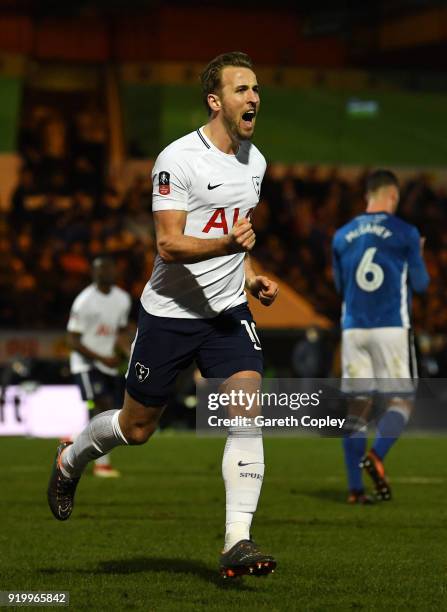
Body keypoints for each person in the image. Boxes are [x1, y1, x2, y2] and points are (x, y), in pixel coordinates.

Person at [47, 51, 279, 578]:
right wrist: (227, 245)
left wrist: (249, 274)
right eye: (243, 89)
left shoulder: (256, 163)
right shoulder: (178, 159)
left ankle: (237, 542)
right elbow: (170, 244)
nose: (254, 98)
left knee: (247, 415)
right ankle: (71, 459)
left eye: (257, 88)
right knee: (137, 428)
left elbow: (236, 240)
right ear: (215, 100)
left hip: (226, 315)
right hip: (169, 315)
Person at [332, 169, 429, 504]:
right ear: (393, 197)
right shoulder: (404, 233)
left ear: (367, 196)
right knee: (402, 400)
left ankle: (355, 490)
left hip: (354, 328)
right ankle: (377, 455)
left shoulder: (342, 235)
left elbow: (338, 287)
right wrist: (416, 252)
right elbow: (420, 285)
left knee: (358, 408)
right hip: (390, 326)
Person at [66, 256, 132, 477]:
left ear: (115, 270)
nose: (103, 272)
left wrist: (127, 353)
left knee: (107, 409)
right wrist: (101, 358)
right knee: (100, 406)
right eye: (98, 269)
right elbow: (73, 340)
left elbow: (120, 332)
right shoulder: (84, 300)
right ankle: (101, 463)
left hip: (108, 365)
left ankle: (74, 442)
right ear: (93, 273)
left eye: (107, 267)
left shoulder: (122, 299)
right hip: (85, 365)